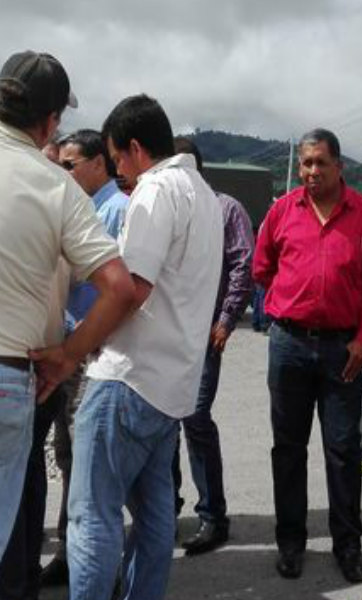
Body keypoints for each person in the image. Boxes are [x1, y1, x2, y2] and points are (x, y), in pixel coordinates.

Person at [62, 94, 223, 600]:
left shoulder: (156, 191)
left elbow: (129, 289)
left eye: (115, 161)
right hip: (169, 389)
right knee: (154, 520)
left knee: (92, 515)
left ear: (134, 148)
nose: (117, 175)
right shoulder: (204, 196)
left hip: (128, 380)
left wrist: (74, 347)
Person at [0, 49, 134, 563]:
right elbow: (119, 288)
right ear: (51, 120)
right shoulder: (57, 185)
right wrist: (69, 354)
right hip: (12, 375)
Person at [252, 128, 362, 583]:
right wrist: (291, 303)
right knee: (287, 450)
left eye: (319, 163)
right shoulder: (282, 211)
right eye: (305, 163)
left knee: (343, 452)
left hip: (342, 351)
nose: (310, 171)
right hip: (288, 345)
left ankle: (347, 546)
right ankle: (290, 543)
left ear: (339, 166)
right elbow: (262, 267)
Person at [40, 128, 130, 587]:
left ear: (99, 163)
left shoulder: (115, 212)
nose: (63, 173)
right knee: (70, 456)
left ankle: (101, 570)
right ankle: (72, 557)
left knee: (92, 467)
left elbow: (117, 290)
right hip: (70, 352)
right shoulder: (84, 207)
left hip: (90, 355)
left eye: (70, 165)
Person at [172, 137, 254, 555]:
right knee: (164, 421)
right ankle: (166, 508)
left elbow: (244, 265)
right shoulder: (168, 207)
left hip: (204, 335)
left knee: (196, 419)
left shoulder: (226, 208)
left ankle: (212, 517)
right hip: (168, 334)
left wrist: (225, 320)